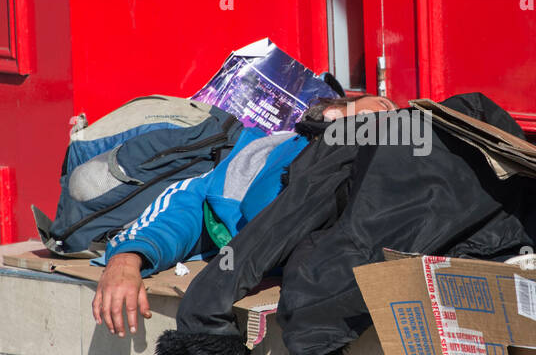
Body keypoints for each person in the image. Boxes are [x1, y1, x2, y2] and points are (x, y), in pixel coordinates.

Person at [91, 94, 396, 336]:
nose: (391, 118)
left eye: (396, 118)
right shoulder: (250, 154)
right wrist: (126, 259)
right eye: (382, 107)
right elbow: (181, 209)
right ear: (333, 110)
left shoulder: (380, 168)